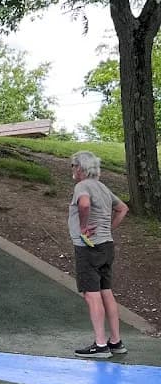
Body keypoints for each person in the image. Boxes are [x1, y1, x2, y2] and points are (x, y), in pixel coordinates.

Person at [68, 150, 129, 359]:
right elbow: (122, 209)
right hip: (106, 246)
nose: (72, 170)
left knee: (91, 294)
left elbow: (84, 204)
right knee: (106, 292)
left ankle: (101, 345)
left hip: (88, 247)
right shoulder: (103, 188)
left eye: (73, 166)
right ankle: (116, 341)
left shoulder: (82, 186)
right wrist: (108, 229)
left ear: (81, 168)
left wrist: (83, 227)